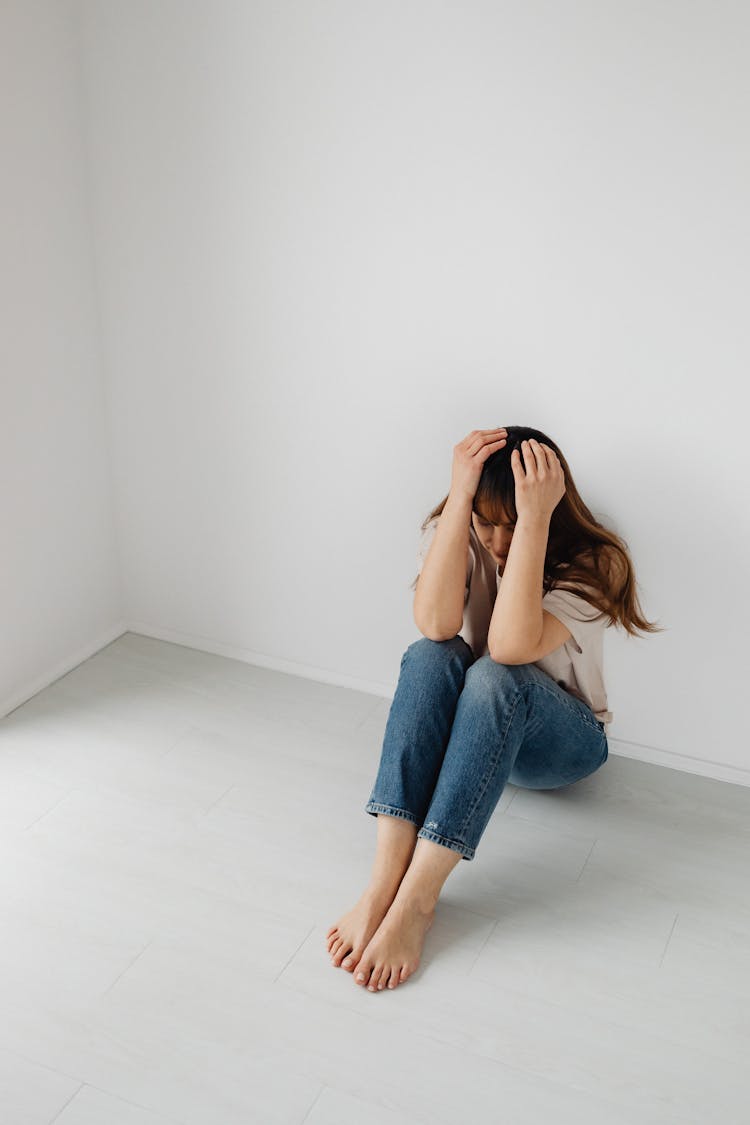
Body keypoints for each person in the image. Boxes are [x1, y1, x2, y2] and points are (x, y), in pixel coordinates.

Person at [326, 425, 663, 994]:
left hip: (562, 746)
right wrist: (460, 501)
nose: (497, 540)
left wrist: (534, 522)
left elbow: (508, 650)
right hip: (479, 731)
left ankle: (416, 902)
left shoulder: (595, 560)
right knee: (430, 656)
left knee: (494, 675)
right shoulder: (458, 527)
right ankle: (382, 883)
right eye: (487, 521)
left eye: (512, 523)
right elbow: (434, 626)